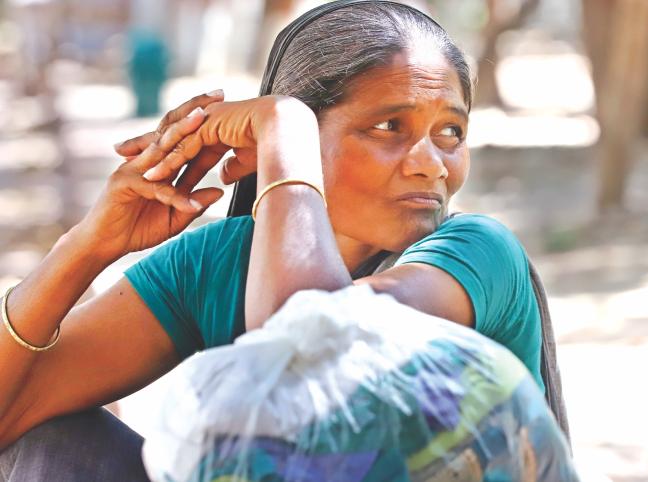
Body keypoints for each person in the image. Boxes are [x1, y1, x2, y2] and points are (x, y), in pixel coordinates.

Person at [0, 1, 551, 480]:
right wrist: (89, 244)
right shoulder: (222, 262)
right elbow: (10, 420)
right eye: (389, 128)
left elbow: (316, 352)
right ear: (309, 142)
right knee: (51, 437)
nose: (432, 164)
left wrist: (282, 128)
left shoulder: (477, 253)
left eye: (450, 132)